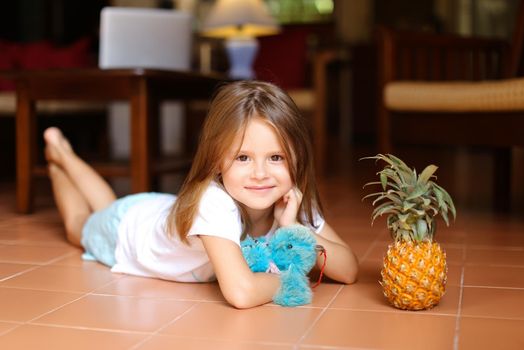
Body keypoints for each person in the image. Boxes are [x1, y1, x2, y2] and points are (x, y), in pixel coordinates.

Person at [44, 80, 358, 309]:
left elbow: (348, 270)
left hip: (160, 209)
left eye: (276, 158)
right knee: (78, 224)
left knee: (108, 204)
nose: (261, 173)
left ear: (298, 157)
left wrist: (297, 230)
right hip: (128, 232)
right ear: (218, 161)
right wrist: (292, 280)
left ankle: (62, 155)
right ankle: (59, 159)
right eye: (242, 157)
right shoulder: (214, 202)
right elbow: (241, 292)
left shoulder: (291, 199)